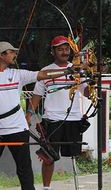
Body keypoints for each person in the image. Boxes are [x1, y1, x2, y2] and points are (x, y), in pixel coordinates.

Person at [0, 41, 81, 190]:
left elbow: (43, 75)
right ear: (1, 55)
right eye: (11, 52)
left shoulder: (17, 74)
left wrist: (67, 71)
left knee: (24, 169)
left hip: (17, 128)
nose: (14, 55)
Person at [26, 35, 90, 190]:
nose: (64, 52)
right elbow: (36, 97)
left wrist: (91, 80)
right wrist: (28, 115)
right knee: (48, 156)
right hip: (52, 119)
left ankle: (76, 186)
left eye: (67, 48)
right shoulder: (45, 72)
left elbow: (87, 93)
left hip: (73, 118)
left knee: (74, 154)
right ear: (52, 51)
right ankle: (46, 188)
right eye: (60, 49)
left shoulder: (77, 70)